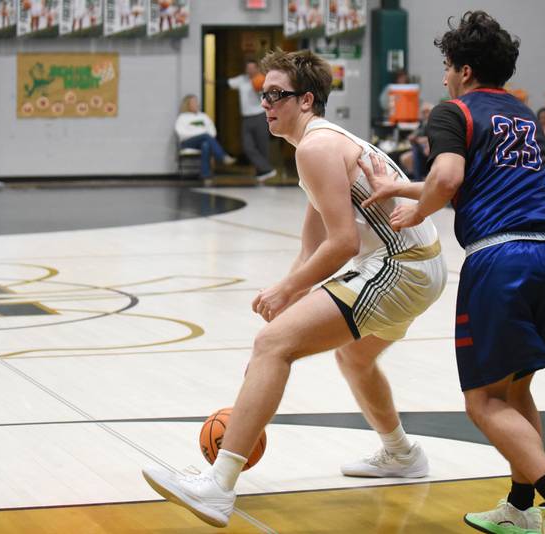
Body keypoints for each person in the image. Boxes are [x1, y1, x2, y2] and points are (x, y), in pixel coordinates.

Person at [142, 49, 448, 528]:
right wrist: (289, 298)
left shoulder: (316, 148)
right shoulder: (317, 144)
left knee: (271, 346)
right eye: (263, 94)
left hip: (400, 265)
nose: (266, 104)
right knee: (353, 356)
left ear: (306, 100)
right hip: (418, 264)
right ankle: (401, 454)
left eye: (276, 95)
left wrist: (284, 301)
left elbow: (344, 243)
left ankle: (218, 487)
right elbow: (313, 246)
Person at [359, 11, 545, 534]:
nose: (444, 75)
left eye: (447, 66)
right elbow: (481, 179)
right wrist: (403, 188)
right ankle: (519, 508)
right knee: (515, 393)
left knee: (482, 401)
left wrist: (416, 210)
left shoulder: (453, 111)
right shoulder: (523, 115)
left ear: (464, 71)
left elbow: (447, 177)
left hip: (500, 261)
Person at [228, 59, 276, 182]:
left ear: (256, 68)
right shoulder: (241, 80)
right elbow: (227, 83)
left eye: (252, 68)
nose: (249, 70)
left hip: (260, 115)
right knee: (247, 146)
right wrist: (209, 81)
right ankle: (267, 169)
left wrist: (261, 89)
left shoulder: (263, 80)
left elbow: (271, 97)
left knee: (262, 146)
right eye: (247, 68)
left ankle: (261, 172)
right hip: (246, 118)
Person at [175, 94, 236, 179]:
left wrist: (203, 135)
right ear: (187, 104)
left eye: (196, 102)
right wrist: (200, 134)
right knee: (205, 136)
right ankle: (222, 156)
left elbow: (212, 131)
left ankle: (205, 173)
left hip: (204, 139)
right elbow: (181, 133)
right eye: (193, 102)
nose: (196, 104)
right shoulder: (182, 117)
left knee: (206, 144)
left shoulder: (203, 116)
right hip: (188, 142)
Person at [398, 102, 434, 182]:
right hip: (421, 148)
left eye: (427, 111)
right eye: (423, 112)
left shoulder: (434, 122)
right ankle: (417, 177)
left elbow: (434, 137)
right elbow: (414, 135)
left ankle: (419, 178)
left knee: (417, 150)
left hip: (431, 148)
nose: (425, 114)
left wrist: (419, 140)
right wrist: (413, 138)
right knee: (405, 157)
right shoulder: (422, 124)